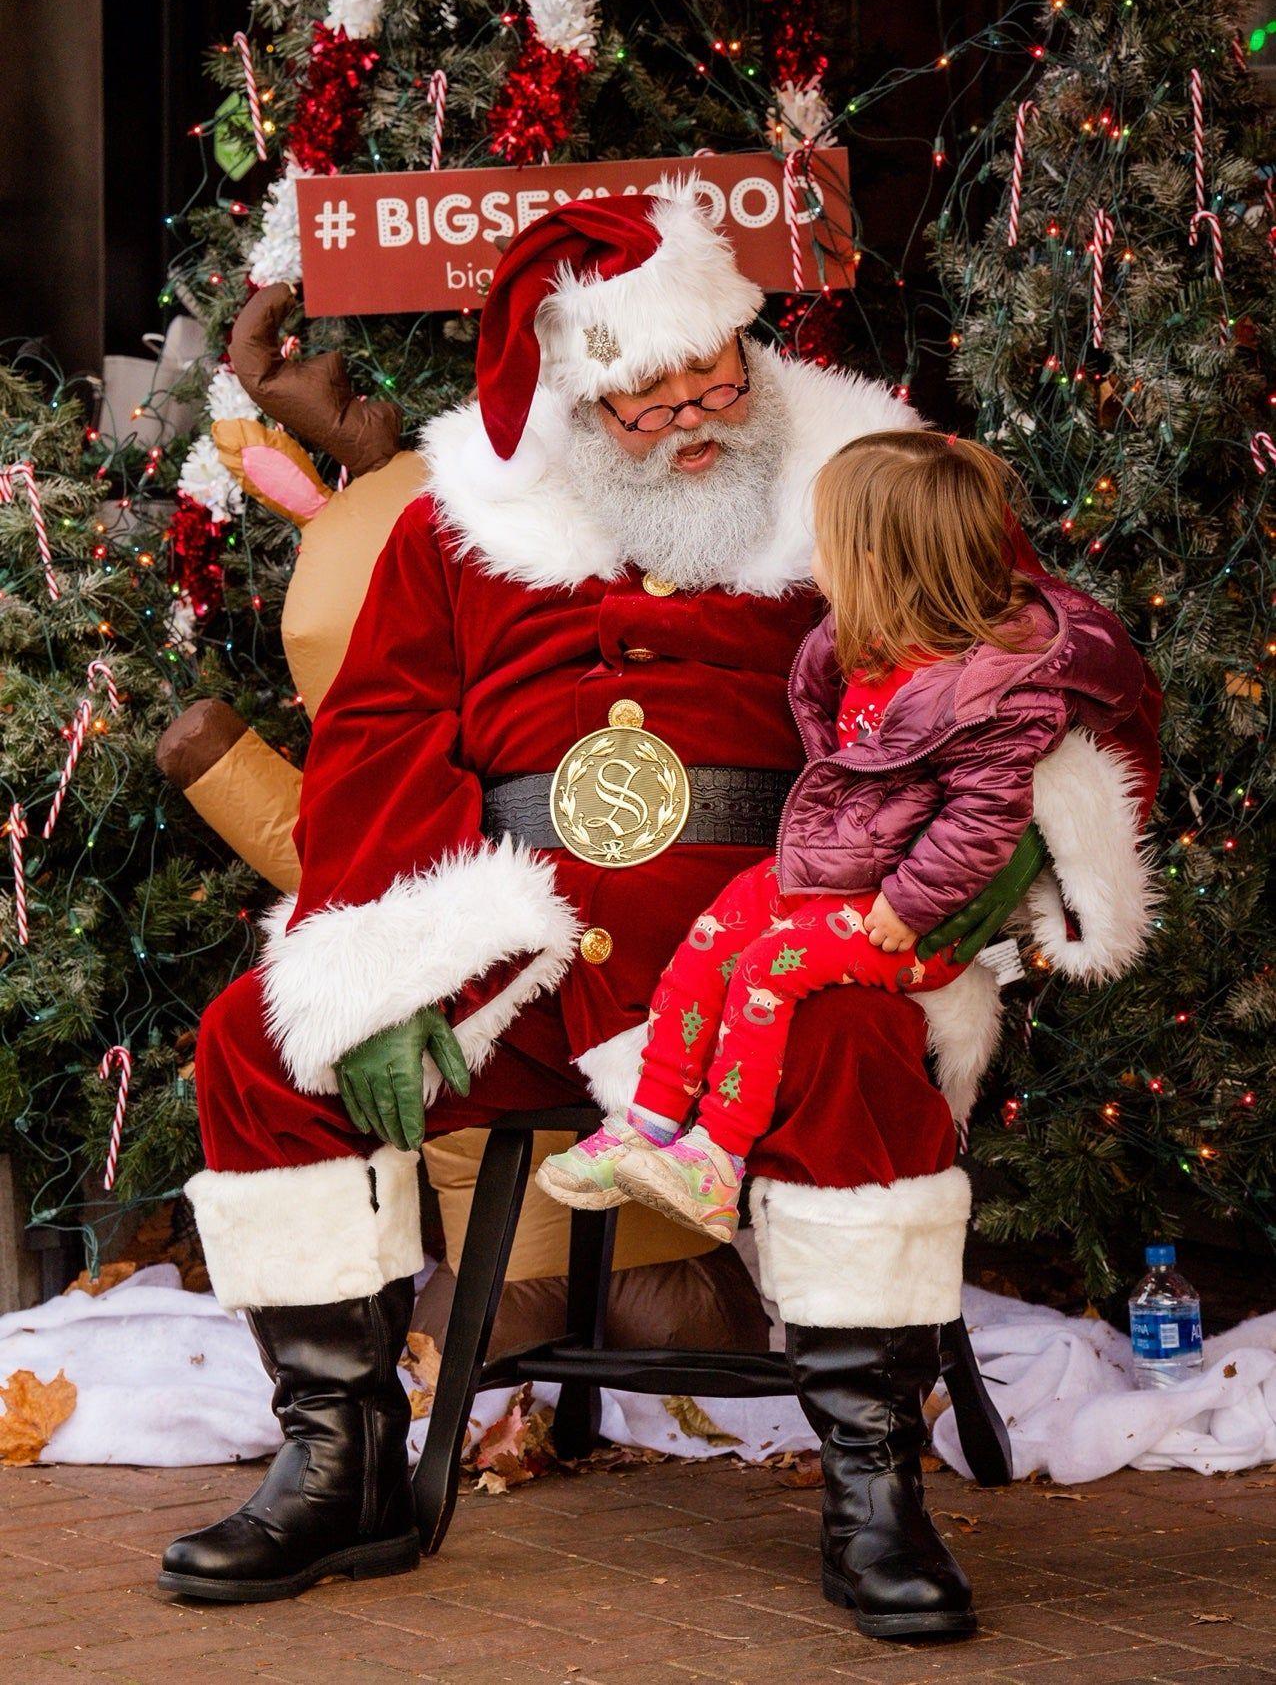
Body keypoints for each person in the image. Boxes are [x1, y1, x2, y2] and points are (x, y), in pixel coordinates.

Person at [160, 182, 1161, 1638]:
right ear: (571, 400)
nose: (699, 415)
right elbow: (382, 732)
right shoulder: (461, 526)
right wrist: (372, 953)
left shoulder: (856, 474)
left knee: (856, 1057)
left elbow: (1061, 656)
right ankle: (343, 1454)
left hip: (774, 943)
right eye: (647, 400)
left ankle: (873, 1481)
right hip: (517, 954)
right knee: (258, 1045)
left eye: (719, 374)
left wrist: (1010, 840)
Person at [538, 432, 1147, 1259]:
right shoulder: (873, 647)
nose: (809, 558)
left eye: (824, 541)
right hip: (844, 877)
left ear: (873, 560)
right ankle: (647, 1122)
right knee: (716, 932)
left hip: (912, 925)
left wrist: (911, 903)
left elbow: (985, 816)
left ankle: (715, 1157)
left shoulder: (994, 689)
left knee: (765, 972)